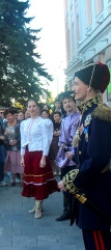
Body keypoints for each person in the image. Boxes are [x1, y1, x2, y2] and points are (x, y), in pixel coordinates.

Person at [58, 62, 111, 249]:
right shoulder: (87, 113)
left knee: (99, 244)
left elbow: (98, 158)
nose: (73, 88)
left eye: (76, 83)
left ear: (88, 86)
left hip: (96, 192)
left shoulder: (99, 114)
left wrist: (72, 178)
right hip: (89, 189)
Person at [20, 99, 59, 219]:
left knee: (39, 180)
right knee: (32, 180)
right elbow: (23, 140)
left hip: (39, 152)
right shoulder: (24, 123)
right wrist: (22, 156)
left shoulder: (45, 122)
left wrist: (44, 157)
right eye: (29, 106)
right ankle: (37, 204)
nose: (32, 108)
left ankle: (38, 208)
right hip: (28, 153)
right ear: (27, 108)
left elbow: (47, 139)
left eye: (34, 106)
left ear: (38, 107)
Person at [55, 92, 80, 221]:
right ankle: (67, 210)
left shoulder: (80, 118)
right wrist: (64, 150)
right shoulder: (64, 119)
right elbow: (61, 139)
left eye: (70, 101)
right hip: (65, 155)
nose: (68, 104)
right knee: (64, 184)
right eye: (65, 102)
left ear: (75, 102)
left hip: (75, 156)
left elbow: (82, 138)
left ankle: (77, 212)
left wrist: (74, 152)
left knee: (75, 184)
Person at [3, 109, 23, 186]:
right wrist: (7, 142)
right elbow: (3, 136)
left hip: (19, 147)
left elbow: (23, 135)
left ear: (13, 115)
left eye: (10, 115)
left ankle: (22, 181)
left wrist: (17, 141)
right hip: (10, 148)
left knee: (21, 164)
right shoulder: (5, 125)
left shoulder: (19, 123)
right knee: (12, 164)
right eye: (7, 116)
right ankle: (13, 180)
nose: (9, 117)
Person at [48, 111, 62, 175]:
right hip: (53, 141)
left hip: (61, 140)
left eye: (57, 116)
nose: (56, 117)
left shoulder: (63, 123)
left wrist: (59, 133)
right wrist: (53, 133)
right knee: (53, 155)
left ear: (60, 116)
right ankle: (54, 169)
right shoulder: (51, 124)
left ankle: (60, 170)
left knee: (60, 155)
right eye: (55, 116)